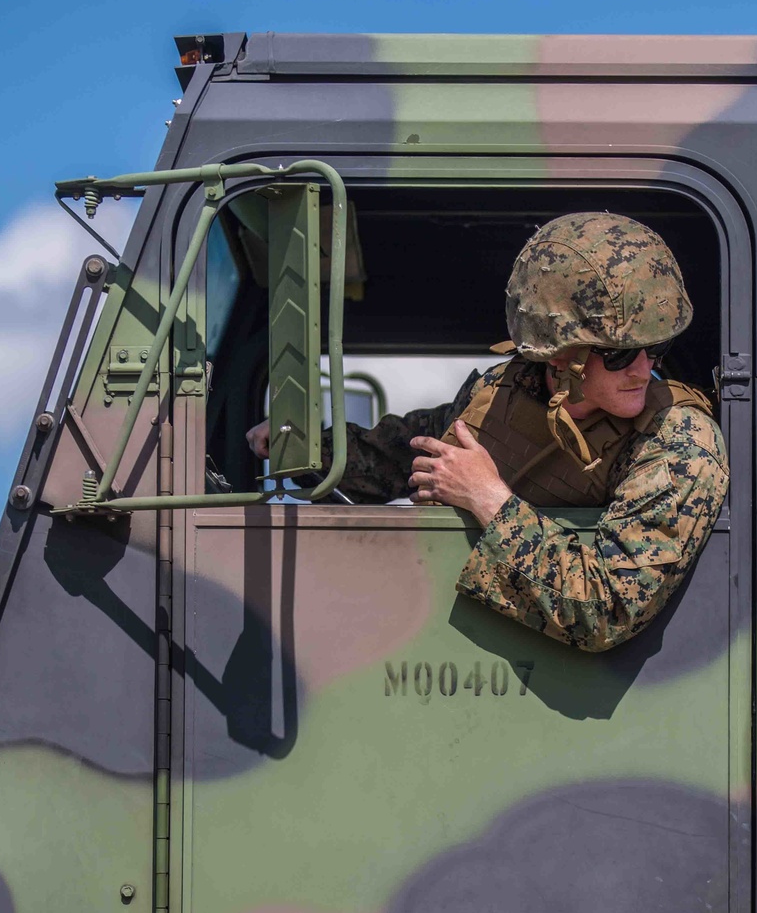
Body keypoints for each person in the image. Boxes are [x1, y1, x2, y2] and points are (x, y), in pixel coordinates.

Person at [246, 213, 729, 651]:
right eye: (621, 354)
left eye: (657, 347)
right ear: (559, 355)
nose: (644, 370)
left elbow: (607, 609)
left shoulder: (681, 444)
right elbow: (404, 453)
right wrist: (307, 446)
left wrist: (487, 498)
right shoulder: (504, 389)